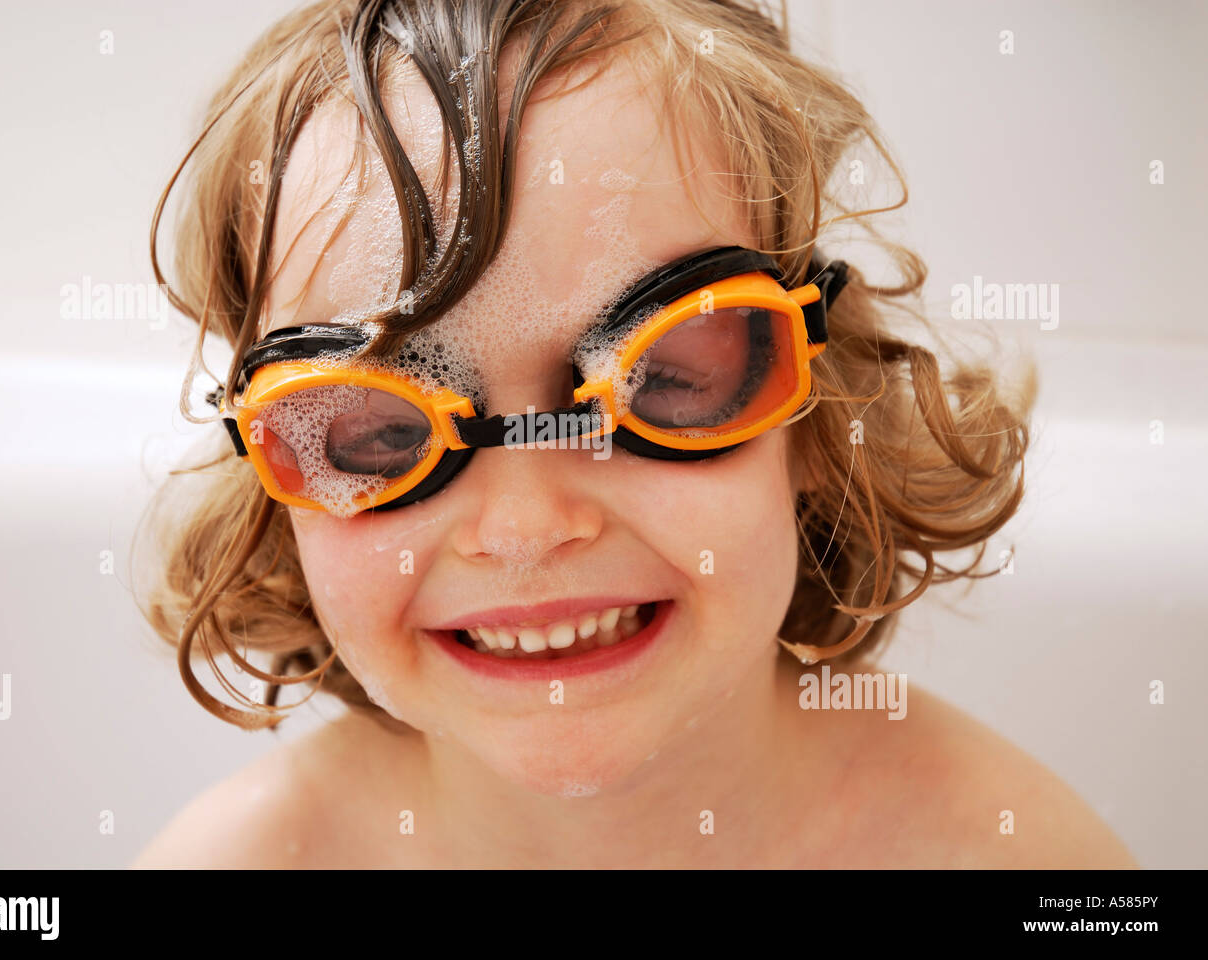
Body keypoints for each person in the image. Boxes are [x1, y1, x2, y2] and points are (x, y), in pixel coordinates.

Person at [131, 0, 1135, 868]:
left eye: (664, 381)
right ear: (271, 477)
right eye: (380, 432)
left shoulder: (1001, 853)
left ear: (817, 413)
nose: (526, 527)